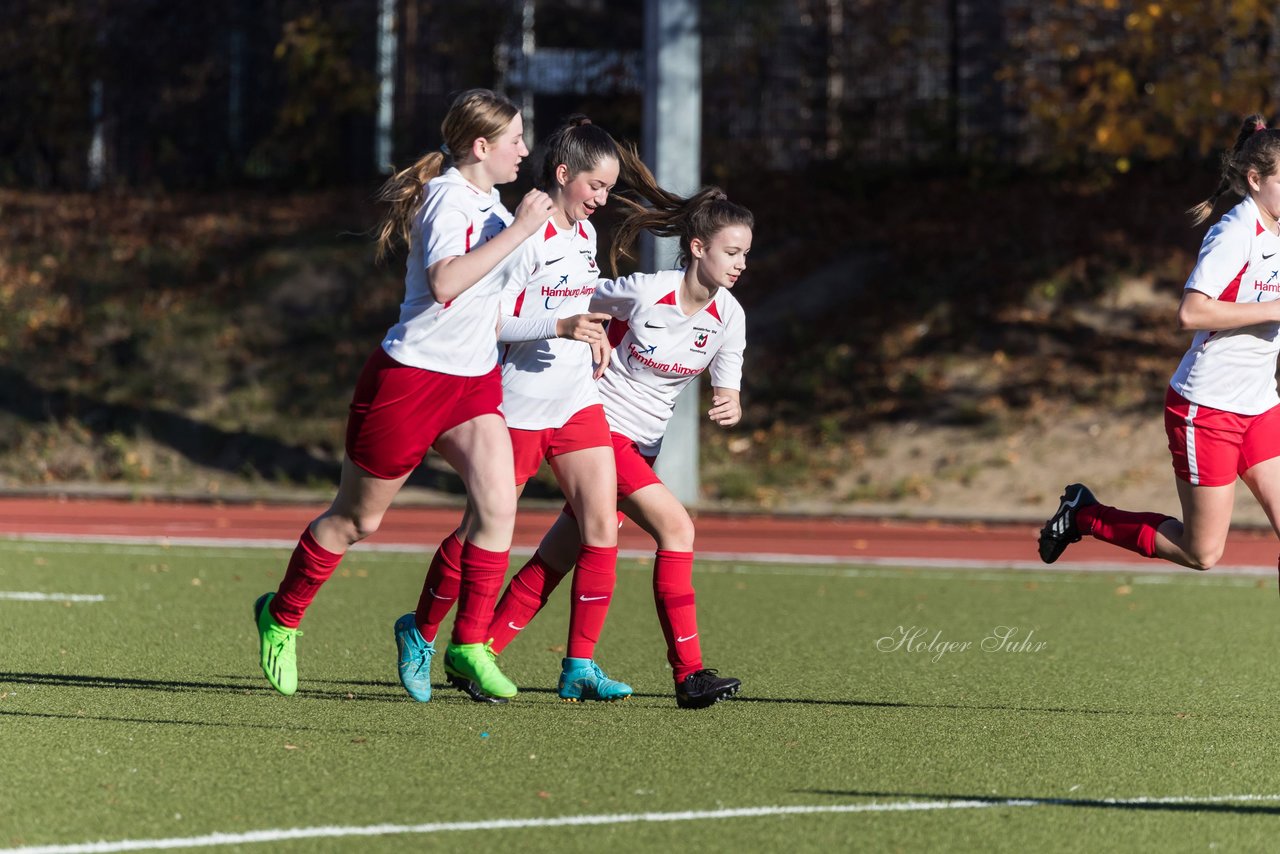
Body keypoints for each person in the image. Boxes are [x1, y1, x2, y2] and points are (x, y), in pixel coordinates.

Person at [252, 88, 555, 701]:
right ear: (480, 147)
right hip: (410, 380)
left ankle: (469, 644)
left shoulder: (495, 208)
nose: (525, 150)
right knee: (356, 520)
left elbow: (494, 308)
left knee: (499, 507)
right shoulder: (447, 199)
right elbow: (445, 284)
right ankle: (280, 617)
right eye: (515, 140)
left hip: (471, 385)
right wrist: (522, 229)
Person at [393, 116, 634, 704]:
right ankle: (421, 632)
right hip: (521, 405)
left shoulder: (583, 236)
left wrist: (594, 335)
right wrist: (561, 324)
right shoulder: (516, 232)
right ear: (562, 175)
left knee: (601, 526)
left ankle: (578, 665)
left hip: (576, 401)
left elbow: (577, 309)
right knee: (482, 526)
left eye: (608, 189)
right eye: (594, 187)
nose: (601, 200)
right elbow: (493, 320)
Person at [492, 179, 753, 709]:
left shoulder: (730, 317)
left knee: (560, 555)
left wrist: (730, 404)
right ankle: (690, 674)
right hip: (598, 432)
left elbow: (729, 387)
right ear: (698, 249)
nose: (741, 263)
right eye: (731, 252)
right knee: (677, 526)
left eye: (746, 253)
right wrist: (584, 341)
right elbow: (572, 301)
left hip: (644, 446)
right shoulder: (644, 290)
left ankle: (479, 650)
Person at [1039, 114, 1280, 573]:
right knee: (1202, 552)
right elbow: (1191, 312)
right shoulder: (1234, 232)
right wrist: (1273, 310)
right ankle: (1084, 515)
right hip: (1207, 410)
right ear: (1255, 180)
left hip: (1260, 404)